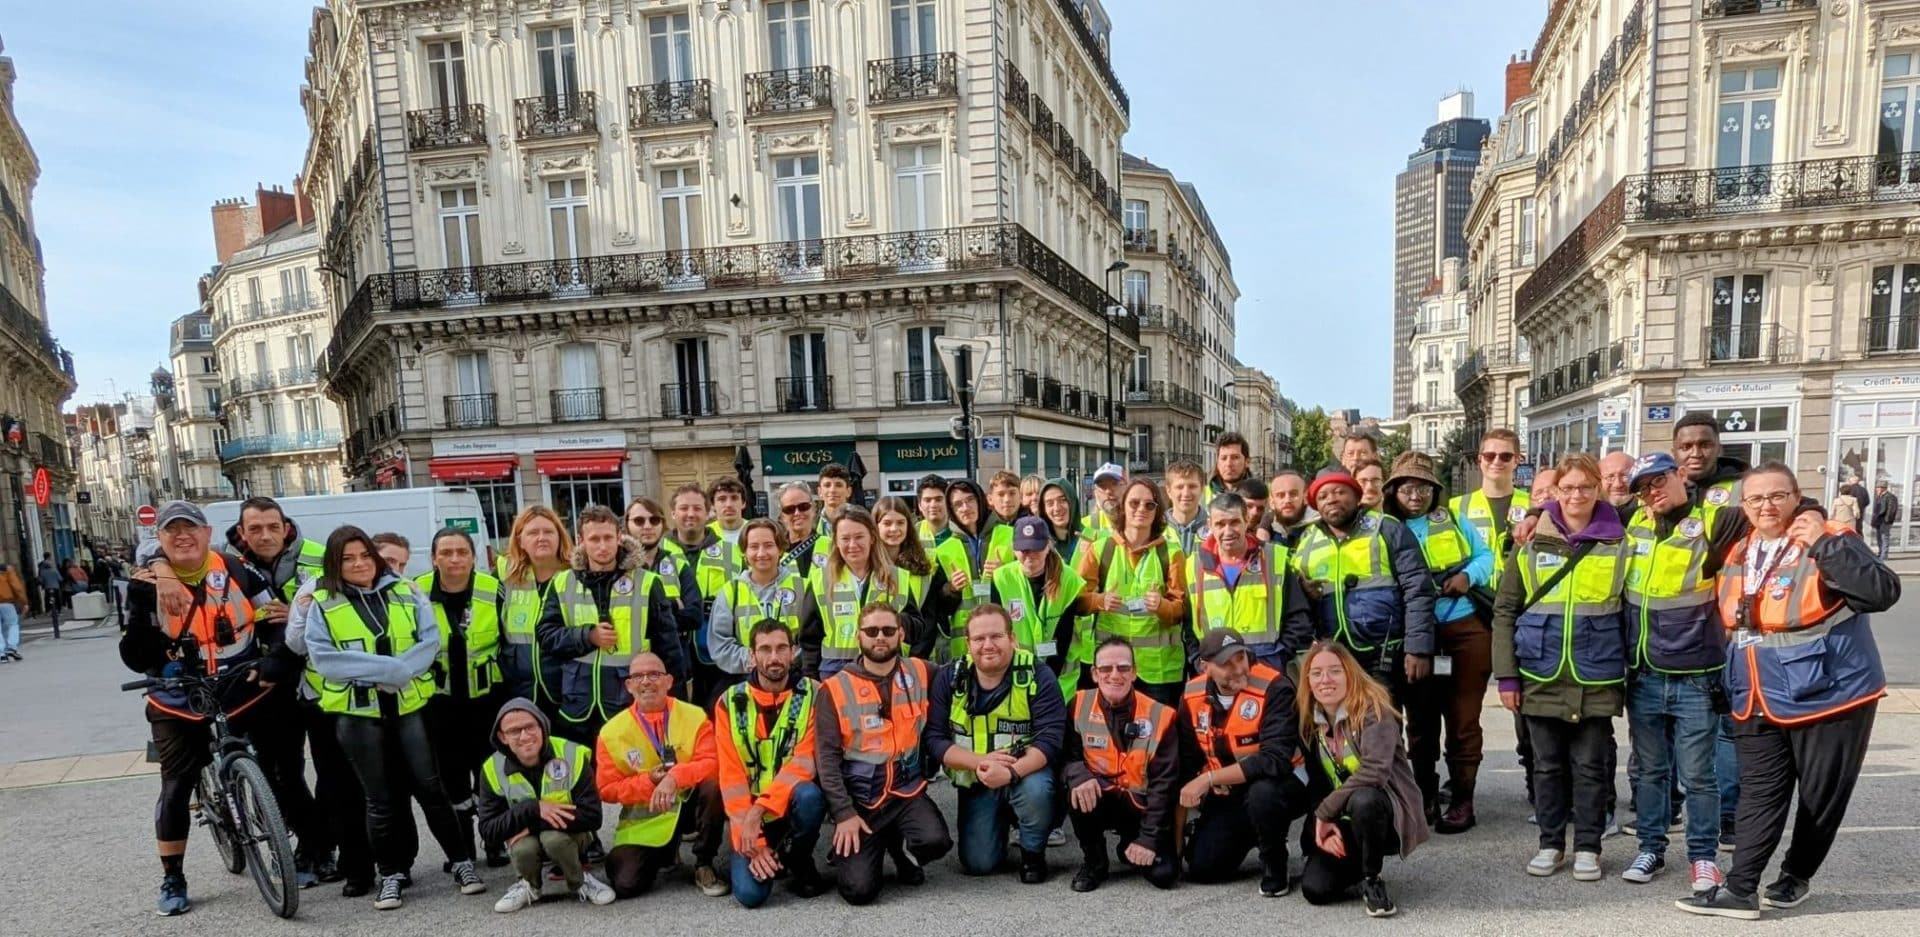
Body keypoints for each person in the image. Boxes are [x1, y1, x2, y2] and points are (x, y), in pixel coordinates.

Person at [1677, 463, 1900, 920]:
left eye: (1778, 496)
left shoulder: (1832, 536)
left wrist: (1823, 542)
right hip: (1755, 693)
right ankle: (1740, 889)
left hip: (1831, 692)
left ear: (1798, 498)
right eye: (1756, 498)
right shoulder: (1739, 547)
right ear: (1744, 505)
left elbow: (1880, 592)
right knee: (1759, 793)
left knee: (1820, 796)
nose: (1767, 506)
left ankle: (1796, 874)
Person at [118, 501, 287, 916]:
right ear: (159, 539)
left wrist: (274, 660)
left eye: (190, 527)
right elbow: (135, 657)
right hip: (178, 697)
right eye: (171, 530)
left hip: (239, 688)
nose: (183, 536)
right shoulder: (146, 583)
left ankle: (287, 848)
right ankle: (173, 876)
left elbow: (275, 619)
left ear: (207, 533)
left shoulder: (237, 570)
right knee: (177, 784)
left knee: (277, 765)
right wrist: (143, 607)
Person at [305, 525, 485, 910]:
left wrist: (400, 672)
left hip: (408, 709)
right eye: (348, 558)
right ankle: (391, 874)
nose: (359, 564)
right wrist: (389, 670)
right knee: (380, 800)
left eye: (364, 555)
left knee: (432, 790)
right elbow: (325, 659)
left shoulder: (407, 591)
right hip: (359, 715)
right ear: (335, 563)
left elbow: (428, 641)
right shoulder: (322, 602)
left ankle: (461, 863)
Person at [1493, 454, 1629, 884]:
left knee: (1591, 766)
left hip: (1596, 673)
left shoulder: (1620, 539)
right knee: (1546, 766)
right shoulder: (1531, 540)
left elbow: (1629, 610)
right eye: (1567, 488)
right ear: (1555, 492)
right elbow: (1505, 609)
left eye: (1585, 487)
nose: (1576, 495)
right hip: (1540, 671)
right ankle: (1550, 844)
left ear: (1598, 489)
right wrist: (1507, 675)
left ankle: (1588, 847)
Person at [1619, 451, 1727, 893]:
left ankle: (1703, 858)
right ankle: (1650, 848)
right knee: (1650, 772)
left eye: (1659, 481)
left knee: (1698, 776)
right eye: (1644, 488)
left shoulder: (1713, 519)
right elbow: (1571, 503)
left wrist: (1813, 511)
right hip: (1643, 674)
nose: (1652, 492)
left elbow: (1774, 504)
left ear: (1681, 474)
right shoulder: (1635, 524)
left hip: (1696, 675)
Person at [1383, 451, 1494, 832]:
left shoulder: (1455, 520)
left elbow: (1486, 557)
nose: (1416, 495)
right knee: (1420, 720)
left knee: (1464, 720)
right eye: (1407, 488)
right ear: (1393, 490)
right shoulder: (1383, 528)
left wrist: (1467, 577)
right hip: (1415, 634)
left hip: (1464, 627)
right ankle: (1425, 794)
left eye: (1424, 488)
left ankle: (1463, 799)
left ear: (1435, 490)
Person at [815, 603, 953, 906]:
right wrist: (843, 814)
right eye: (872, 631)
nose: (880, 637)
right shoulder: (833, 689)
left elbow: (964, 675)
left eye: (889, 631)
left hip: (905, 793)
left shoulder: (922, 671)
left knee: (936, 842)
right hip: (860, 802)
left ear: (900, 634)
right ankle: (867, 845)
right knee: (859, 892)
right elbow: (826, 760)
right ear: (859, 636)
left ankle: (897, 845)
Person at [927, 603, 1067, 882]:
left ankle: (1032, 853)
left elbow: (1051, 739)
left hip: (1025, 772)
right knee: (979, 863)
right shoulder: (949, 677)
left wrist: (1011, 772)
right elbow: (934, 739)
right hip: (979, 778)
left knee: (1037, 790)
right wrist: (981, 762)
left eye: (996, 636)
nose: (988, 645)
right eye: (979, 638)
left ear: (1012, 638)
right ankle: (1000, 823)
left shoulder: (1038, 675)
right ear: (968, 644)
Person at [1296, 640, 1426, 917]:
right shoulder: (1309, 719)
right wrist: (1324, 824)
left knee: (1365, 799)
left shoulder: (1373, 709)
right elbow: (1317, 783)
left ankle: (1372, 878)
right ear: (1307, 681)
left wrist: (1324, 812)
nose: (1325, 679)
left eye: (1335, 671)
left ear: (1350, 674)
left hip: (1383, 811)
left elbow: (1375, 771)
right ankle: (1352, 862)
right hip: (1339, 816)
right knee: (1315, 890)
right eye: (1316, 673)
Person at [542, 506, 687, 745]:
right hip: (577, 704)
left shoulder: (647, 582)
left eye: (608, 538)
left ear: (619, 537)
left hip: (629, 702)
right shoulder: (562, 582)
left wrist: (675, 702)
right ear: (580, 540)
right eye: (594, 539)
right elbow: (546, 635)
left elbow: (669, 648)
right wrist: (588, 636)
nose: (602, 546)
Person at [1178, 630, 1309, 894]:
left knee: (1262, 795)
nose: (1239, 668)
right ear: (1205, 667)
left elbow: (1274, 760)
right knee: (1202, 867)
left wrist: (1209, 779)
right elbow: (1188, 761)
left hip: (1284, 783)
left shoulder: (1275, 687)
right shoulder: (1191, 696)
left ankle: (1274, 862)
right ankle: (1255, 831)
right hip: (1230, 791)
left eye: (1241, 657)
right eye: (1226, 663)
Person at [1293, 468, 1437, 705]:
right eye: (1323, 496)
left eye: (1340, 492)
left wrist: (1418, 649)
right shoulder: (1307, 539)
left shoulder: (1387, 528)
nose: (1332, 499)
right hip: (1334, 655)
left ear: (1357, 496)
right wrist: (1303, 591)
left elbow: (1418, 590)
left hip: (1383, 653)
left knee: (1382, 721)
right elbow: (1293, 595)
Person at [715, 620, 831, 907]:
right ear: (752, 655)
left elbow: (805, 763)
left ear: (793, 652)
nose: (774, 657)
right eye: (765, 649)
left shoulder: (814, 694)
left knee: (810, 796)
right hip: (747, 816)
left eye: (781, 648)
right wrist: (754, 840)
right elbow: (731, 778)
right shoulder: (730, 702)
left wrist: (760, 809)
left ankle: (798, 858)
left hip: (788, 807)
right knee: (751, 896)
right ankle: (771, 856)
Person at [595, 652, 728, 898]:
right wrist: (649, 781)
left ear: (668, 681)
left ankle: (704, 863)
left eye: (654, 674)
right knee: (625, 884)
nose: (647, 681)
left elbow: (712, 762)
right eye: (639, 676)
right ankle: (665, 852)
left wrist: (674, 778)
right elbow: (606, 789)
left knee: (713, 784)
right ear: (629, 685)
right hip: (648, 820)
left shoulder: (695, 716)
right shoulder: (611, 733)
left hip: (688, 807)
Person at [418, 528, 507, 868]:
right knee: (450, 778)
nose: (454, 559)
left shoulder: (492, 589)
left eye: (462, 552)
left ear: (473, 557)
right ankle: (463, 849)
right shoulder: (416, 593)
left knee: (490, 775)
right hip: (439, 704)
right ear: (434, 558)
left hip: (486, 701)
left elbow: (509, 643)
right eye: (446, 553)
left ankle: (495, 841)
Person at [1063, 637, 1180, 891]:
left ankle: (1132, 842)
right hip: (1100, 798)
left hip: (1143, 806)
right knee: (1077, 790)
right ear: (1094, 674)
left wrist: (1148, 839)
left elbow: (1165, 786)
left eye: (1123, 668)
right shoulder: (1079, 704)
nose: (1115, 675)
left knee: (1165, 875)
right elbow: (1067, 758)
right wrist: (1079, 776)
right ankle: (1094, 862)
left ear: (1134, 672)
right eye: (1106, 668)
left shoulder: (1161, 715)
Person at [477, 698, 615, 911]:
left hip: (570, 835)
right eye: (514, 731)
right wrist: (533, 808)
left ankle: (579, 881)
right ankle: (529, 885)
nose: (524, 736)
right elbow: (488, 831)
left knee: (553, 839)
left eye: (530, 727)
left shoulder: (572, 754)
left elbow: (593, 816)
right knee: (523, 848)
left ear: (542, 727)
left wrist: (533, 825)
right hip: (525, 840)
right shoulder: (491, 768)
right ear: (502, 737)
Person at [1075, 478, 1188, 704]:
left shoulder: (1172, 553)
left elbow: (1182, 610)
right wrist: (1099, 601)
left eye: (1149, 505)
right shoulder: (1101, 549)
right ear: (1123, 506)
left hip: (1157, 670)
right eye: (1134, 503)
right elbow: (1077, 601)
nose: (1141, 509)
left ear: (1157, 511)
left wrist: (1162, 606)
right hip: (1113, 668)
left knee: (1157, 726)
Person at [1185, 491, 1314, 670]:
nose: (1228, 531)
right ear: (1210, 525)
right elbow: (1188, 623)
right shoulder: (1193, 565)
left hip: (1266, 665)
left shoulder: (1274, 559)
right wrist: (1198, 660)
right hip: (1217, 668)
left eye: (1234, 522)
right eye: (1220, 524)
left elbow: (1298, 615)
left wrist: (1281, 655)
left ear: (1246, 520)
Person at [798, 508, 907, 679]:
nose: (852, 545)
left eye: (859, 537)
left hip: (884, 665)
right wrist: (811, 677)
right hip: (835, 669)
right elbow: (809, 637)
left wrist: (890, 624)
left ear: (872, 538)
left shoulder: (896, 576)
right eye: (845, 539)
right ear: (836, 541)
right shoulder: (821, 579)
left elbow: (917, 624)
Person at [991, 515, 1086, 693]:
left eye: (1036, 548)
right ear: (1014, 549)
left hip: (1060, 681)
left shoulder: (1069, 579)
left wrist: (1046, 685)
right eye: (1024, 549)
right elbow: (998, 633)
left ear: (1048, 546)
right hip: (1016, 680)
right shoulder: (1001, 578)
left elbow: (1063, 637)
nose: (1030, 555)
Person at [499, 505, 576, 723]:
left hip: (567, 687)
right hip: (520, 690)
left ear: (560, 537)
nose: (541, 538)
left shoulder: (576, 576)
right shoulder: (505, 576)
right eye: (533, 533)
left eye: (548, 532)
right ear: (520, 540)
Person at [707, 519, 804, 678]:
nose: (761, 553)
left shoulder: (802, 587)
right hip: (745, 677)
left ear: (780, 549)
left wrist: (785, 659)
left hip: (794, 675)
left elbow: (811, 639)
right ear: (744, 552)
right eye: (753, 547)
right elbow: (720, 644)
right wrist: (756, 660)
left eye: (768, 545)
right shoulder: (731, 591)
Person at [667, 483, 736, 708]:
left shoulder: (732, 552)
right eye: (684, 508)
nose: (690, 514)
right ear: (673, 513)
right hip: (673, 649)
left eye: (697, 508)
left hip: (717, 651)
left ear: (708, 513)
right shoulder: (657, 551)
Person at [934, 479, 1012, 662]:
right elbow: (939, 607)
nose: (965, 508)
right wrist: (951, 589)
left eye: (970, 500)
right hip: (966, 647)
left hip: (1006, 637)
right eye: (957, 504)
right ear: (951, 510)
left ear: (980, 501)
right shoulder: (944, 550)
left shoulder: (1010, 535)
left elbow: (1030, 584)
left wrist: (1005, 573)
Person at [872, 496, 940, 653]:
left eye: (900, 523)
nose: (894, 529)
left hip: (914, 655)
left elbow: (929, 617)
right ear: (875, 526)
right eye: (887, 523)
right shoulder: (866, 566)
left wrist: (915, 657)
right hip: (874, 653)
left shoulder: (922, 564)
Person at [775, 481, 829, 575]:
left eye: (803, 507)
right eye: (789, 509)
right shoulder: (775, 550)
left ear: (814, 508)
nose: (797, 513)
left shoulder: (831, 546)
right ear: (782, 516)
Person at [1039, 477, 1090, 566]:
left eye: (1062, 500)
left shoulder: (1090, 538)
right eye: (1050, 503)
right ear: (1043, 509)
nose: (1057, 508)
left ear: (1072, 502)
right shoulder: (1039, 544)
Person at [1163, 460, 1208, 555]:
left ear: (1202, 489)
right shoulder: (1156, 531)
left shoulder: (1215, 530)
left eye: (1192, 486)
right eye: (1179, 487)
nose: (1186, 493)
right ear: (1168, 491)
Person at [1268, 469, 1311, 549]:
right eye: (1281, 495)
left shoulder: (1323, 530)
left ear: (1305, 498)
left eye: (1293, 494)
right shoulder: (1266, 534)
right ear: (1271, 502)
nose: (1287, 500)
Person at [1206, 432, 1252, 502]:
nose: (1228, 464)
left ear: (1247, 462)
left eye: (1235, 457)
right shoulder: (1201, 494)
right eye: (1223, 458)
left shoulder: (1262, 494)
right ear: (1217, 462)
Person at [707, 477, 751, 549]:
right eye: (722, 499)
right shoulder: (704, 535)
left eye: (734, 498)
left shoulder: (756, 530)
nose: (729, 504)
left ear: (743, 503)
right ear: (712, 505)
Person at [1084, 463, 1126, 536]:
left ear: (1127, 488)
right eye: (1102, 486)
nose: (1108, 491)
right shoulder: (1086, 525)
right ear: (1095, 493)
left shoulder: (1140, 520)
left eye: (1114, 484)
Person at [915, 474, 952, 552]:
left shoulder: (961, 533)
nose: (933, 505)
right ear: (920, 505)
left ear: (948, 502)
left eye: (938, 499)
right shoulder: (911, 535)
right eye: (927, 500)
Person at [816, 463, 855, 533]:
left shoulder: (862, 521)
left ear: (849, 491)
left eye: (838, 485)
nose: (832, 490)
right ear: (820, 492)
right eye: (827, 485)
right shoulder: (810, 524)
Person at [0, 560, 23, 661]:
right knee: (12, 624)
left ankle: (1, 654)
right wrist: (23, 601)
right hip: (6, 602)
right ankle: (11, 647)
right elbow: (17, 587)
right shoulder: (8, 571)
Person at [1870, 481, 1898, 559]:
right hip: (1878, 520)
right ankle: (1880, 553)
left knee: (1884, 538)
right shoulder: (1879, 496)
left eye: (1878, 488)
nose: (1876, 489)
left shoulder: (1890, 497)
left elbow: (1891, 510)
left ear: (1883, 488)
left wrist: (1887, 520)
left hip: (1885, 521)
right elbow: (1876, 510)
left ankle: (1884, 555)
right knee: (1879, 538)